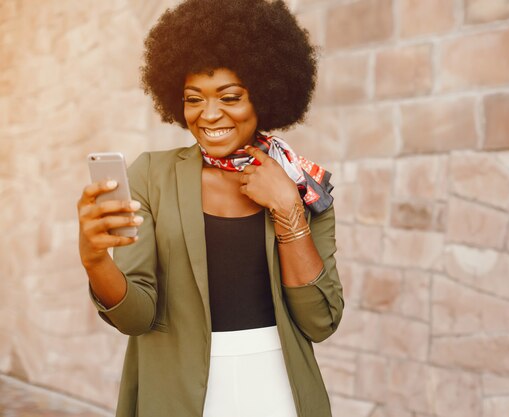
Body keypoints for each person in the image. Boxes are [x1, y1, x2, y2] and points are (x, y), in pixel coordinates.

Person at [76, 0, 343, 416]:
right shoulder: (152, 176)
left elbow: (319, 322)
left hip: (278, 387)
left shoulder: (302, 185)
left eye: (230, 96)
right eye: (194, 98)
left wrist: (288, 209)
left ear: (265, 93)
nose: (210, 114)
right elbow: (136, 317)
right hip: (178, 389)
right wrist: (95, 260)